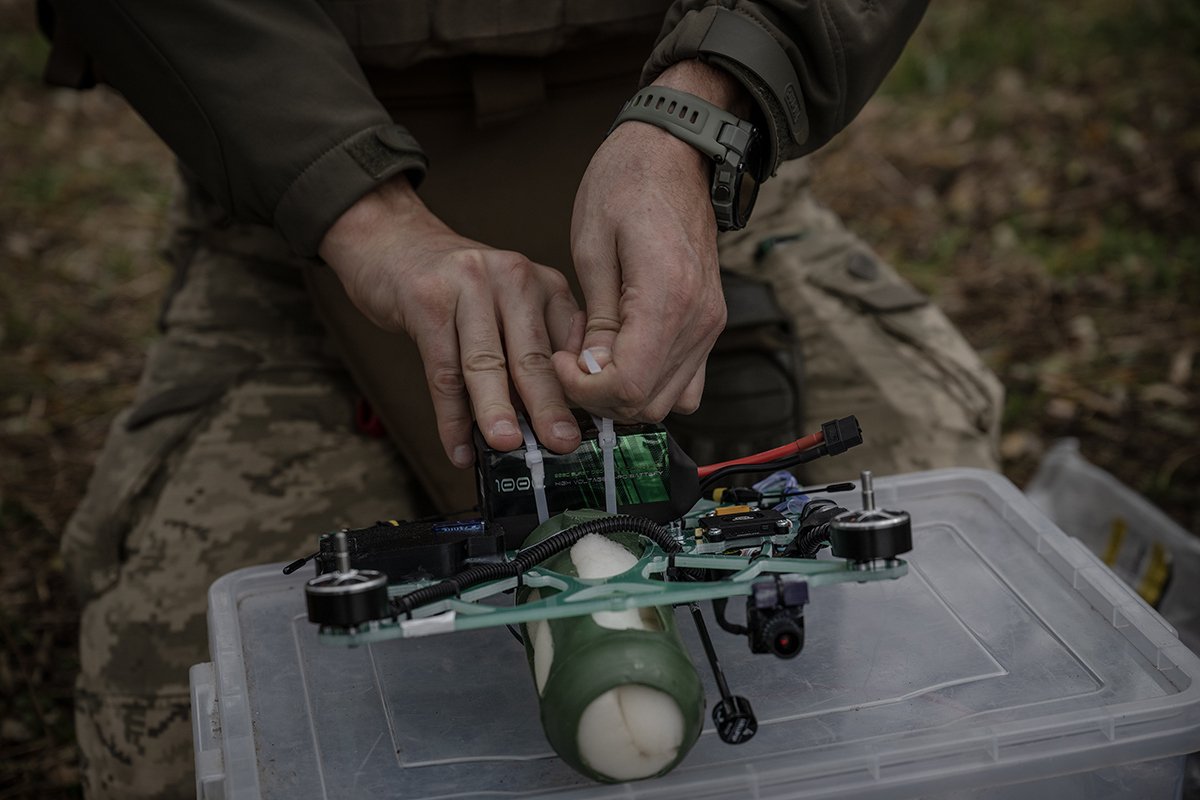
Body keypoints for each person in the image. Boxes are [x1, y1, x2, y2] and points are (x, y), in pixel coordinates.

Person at [43, 1, 1003, 796]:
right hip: (288, 197)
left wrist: (709, 106)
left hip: (707, 150)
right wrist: (359, 212)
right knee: (182, 731)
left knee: (960, 658)